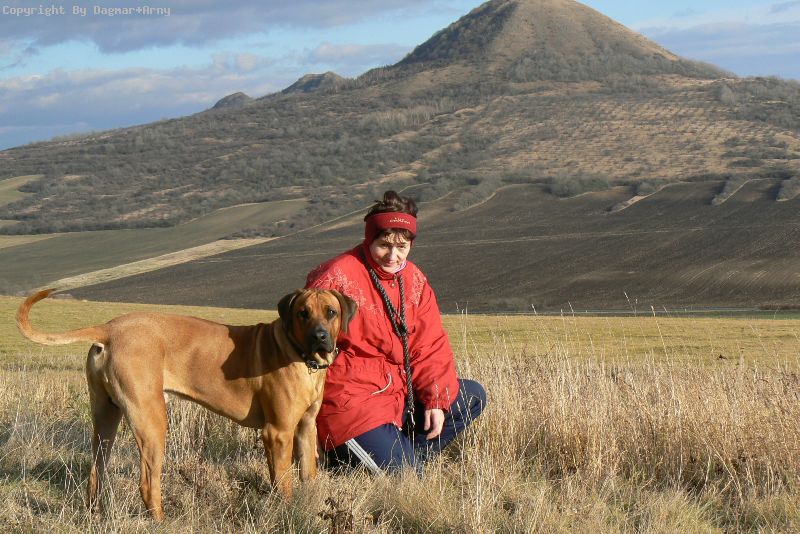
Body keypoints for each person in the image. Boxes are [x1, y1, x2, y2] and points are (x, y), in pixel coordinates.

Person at [305, 190, 486, 473]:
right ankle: (361, 459)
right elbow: (304, 349)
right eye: (384, 245)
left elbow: (429, 344)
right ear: (369, 239)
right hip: (350, 405)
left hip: (398, 395)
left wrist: (436, 400)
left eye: (402, 246)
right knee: (409, 479)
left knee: (471, 395)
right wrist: (307, 423)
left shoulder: (414, 279)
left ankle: (397, 460)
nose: (393, 255)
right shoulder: (336, 278)